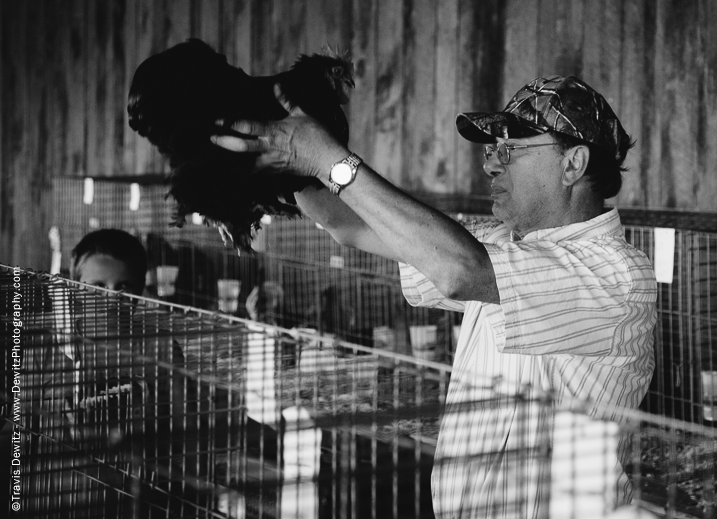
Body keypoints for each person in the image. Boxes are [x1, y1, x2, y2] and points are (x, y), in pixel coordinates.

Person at [212, 75, 658, 518]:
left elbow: (458, 272)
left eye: (512, 149)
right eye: (491, 148)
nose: (491, 165)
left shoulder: (617, 274)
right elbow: (348, 223)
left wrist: (331, 160)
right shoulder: (504, 243)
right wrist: (289, 159)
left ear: (573, 164)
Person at [22, 229, 196, 519]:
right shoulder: (45, 347)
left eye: (124, 286)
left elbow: (179, 432)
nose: (111, 298)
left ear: (140, 291)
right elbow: (22, 429)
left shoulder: (161, 347)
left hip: (135, 496)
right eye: (98, 286)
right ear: (76, 289)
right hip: (56, 495)